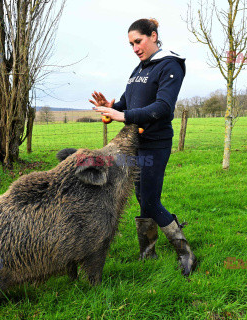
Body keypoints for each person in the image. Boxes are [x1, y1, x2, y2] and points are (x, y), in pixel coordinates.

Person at [90, 18, 196, 276]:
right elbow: (127, 103)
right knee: (142, 198)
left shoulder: (170, 65)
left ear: (153, 35)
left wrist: (123, 116)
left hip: (155, 144)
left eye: (138, 41)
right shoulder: (138, 70)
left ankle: (186, 253)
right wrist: (111, 108)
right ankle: (148, 252)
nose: (135, 48)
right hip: (135, 144)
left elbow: (163, 108)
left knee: (150, 199)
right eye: (131, 44)